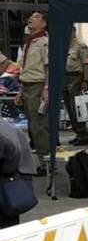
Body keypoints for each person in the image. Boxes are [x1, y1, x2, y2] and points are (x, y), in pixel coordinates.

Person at [18, 11, 49, 176]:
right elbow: (25, 68)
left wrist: (46, 89)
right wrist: (20, 90)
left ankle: (47, 163)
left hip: (38, 86)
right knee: (31, 126)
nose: (31, 18)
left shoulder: (44, 42)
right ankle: (43, 160)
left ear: (44, 24)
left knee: (39, 126)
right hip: (27, 86)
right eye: (30, 16)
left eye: (36, 17)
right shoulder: (29, 42)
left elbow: (48, 67)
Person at [0, 116, 37, 228]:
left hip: (12, 174)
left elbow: (9, 148)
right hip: (18, 170)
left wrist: (7, 172)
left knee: (6, 224)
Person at [64, 28, 88, 146]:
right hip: (64, 78)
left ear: (74, 32)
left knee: (76, 107)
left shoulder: (81, 45)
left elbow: (86, 64)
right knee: (69, 107)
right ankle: (78, 133)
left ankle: (83, 134)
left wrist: (85, 80)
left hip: (76, 77)